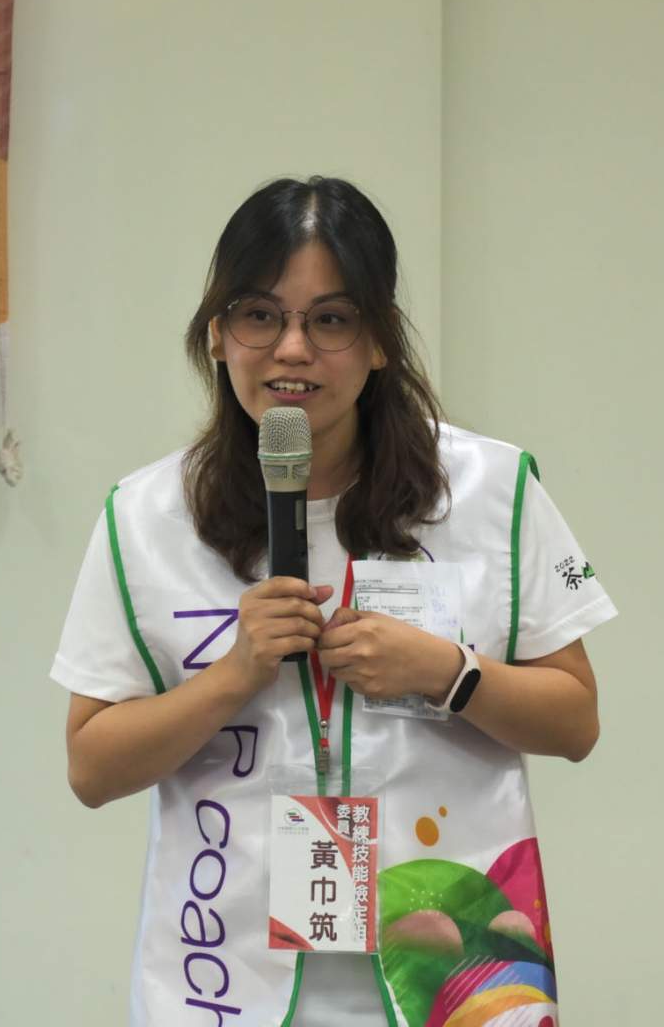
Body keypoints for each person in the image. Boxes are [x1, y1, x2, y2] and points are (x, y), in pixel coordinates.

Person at [51, 176, 618, 1026]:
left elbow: (576, 721)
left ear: (379, 339)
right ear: (217, 334)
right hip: (221, 979)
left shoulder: (496, 491)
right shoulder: (144, 517)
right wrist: (232, 677)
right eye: (259, 314)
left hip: (452, 978)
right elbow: (91, 768)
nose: (292, 349)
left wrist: (447, 672)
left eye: (330, 319)